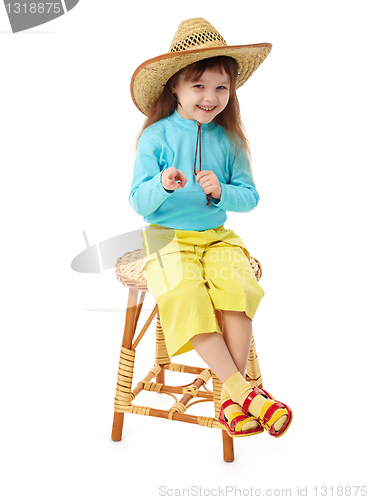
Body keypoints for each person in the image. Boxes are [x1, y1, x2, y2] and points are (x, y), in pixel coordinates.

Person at [129, 18, 292, 438]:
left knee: (236, 289)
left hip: (216, 237)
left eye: (221, 87)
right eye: (198, 86)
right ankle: (243, 392)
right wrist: (161, 184)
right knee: (185, 293)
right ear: (175, 88)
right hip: (166, 237)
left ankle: (230, 400)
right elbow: (137, 201)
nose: (211, 97)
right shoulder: (155, 138)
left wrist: (222, 191)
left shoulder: (230, 139)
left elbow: (250, 197)